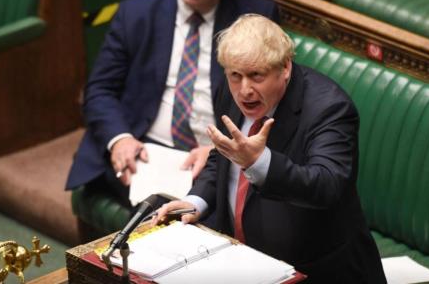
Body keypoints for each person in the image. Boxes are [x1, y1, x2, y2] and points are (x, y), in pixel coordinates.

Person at [153, 14, 386, 283]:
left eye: (256, 76)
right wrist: (197, 201)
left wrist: (260, 163)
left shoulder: (329, 109)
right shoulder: (228, 91)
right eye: (236, 76)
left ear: (285, 67)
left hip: (316, 271)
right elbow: (224, 155)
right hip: (244, 262)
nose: (244, 90)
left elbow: (327, 185)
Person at [65, 0, 279, 209]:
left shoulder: (255, 17)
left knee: (194, 206)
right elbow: (99, 89)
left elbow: (269, 100)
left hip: (208, 154)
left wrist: (220, 151)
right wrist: (121, 139)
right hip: (144, 147)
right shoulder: (136, 14)